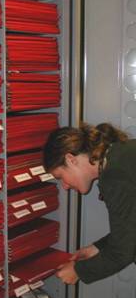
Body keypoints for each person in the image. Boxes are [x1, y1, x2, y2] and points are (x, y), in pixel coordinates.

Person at [43, 122, 136, 285]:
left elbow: (123, 252)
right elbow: (131, 226)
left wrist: (78, 271)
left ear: (71, 160)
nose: (64, 187)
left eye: (60, 177)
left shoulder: (115, 176)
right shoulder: (120, 155)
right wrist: (97, 248)